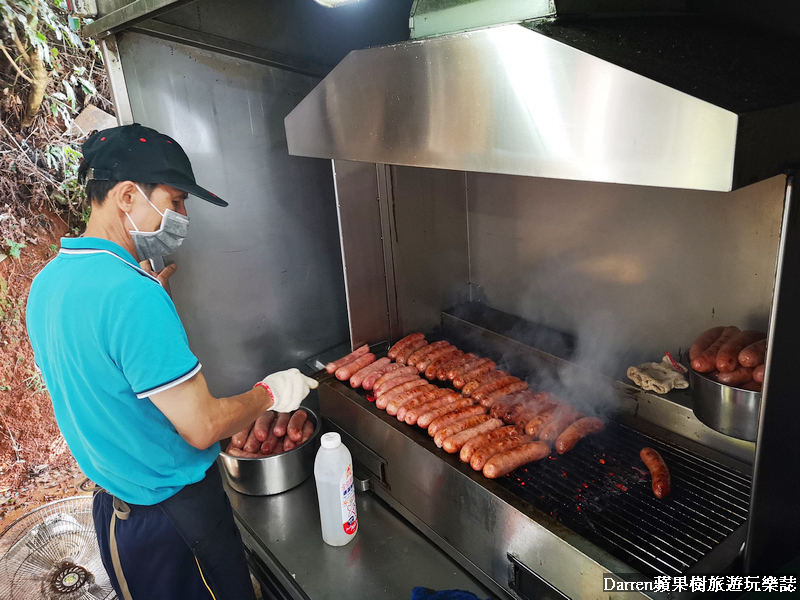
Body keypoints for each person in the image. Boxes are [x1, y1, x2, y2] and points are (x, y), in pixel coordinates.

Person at [26, 123, 317, 600]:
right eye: (176, 201)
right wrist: (269, 393)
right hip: (176, 519)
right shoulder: (131, 296)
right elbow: (202, 427)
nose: (182, 216)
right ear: (126, 196)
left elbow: (100, 377)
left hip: (117, 514)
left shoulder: (49, 283)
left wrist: (145, 308)